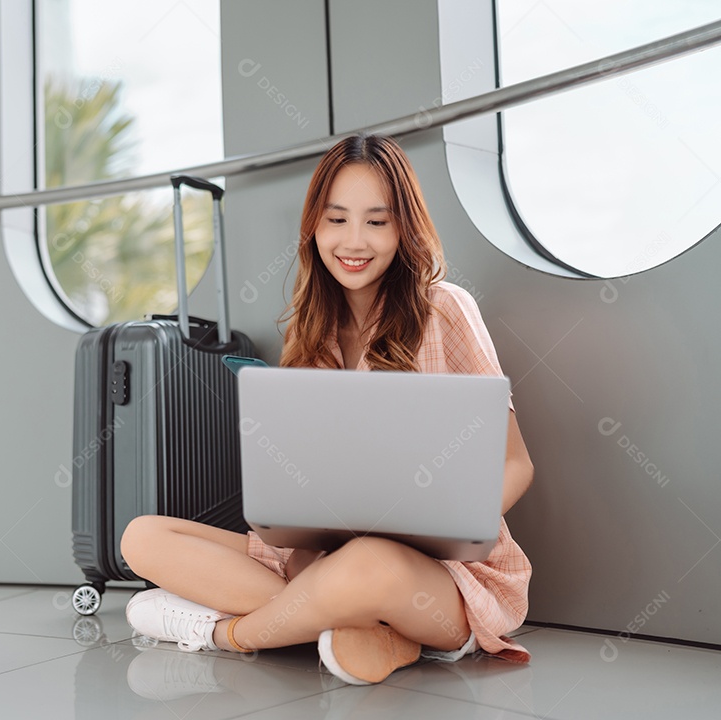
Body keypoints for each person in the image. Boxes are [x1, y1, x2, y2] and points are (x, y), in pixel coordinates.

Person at [120, 133, 533, 686]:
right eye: (336, 219)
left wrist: (453, 524)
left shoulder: (446, 308)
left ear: (403, 227)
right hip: (323, 556)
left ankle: (222, 634)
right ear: (313, 225)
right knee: (141, 537)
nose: (354, 241)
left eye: (377, 221)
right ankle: (371, 630)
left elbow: (516, 464)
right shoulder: (308, 334)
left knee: (367, 564)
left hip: (433, 570)